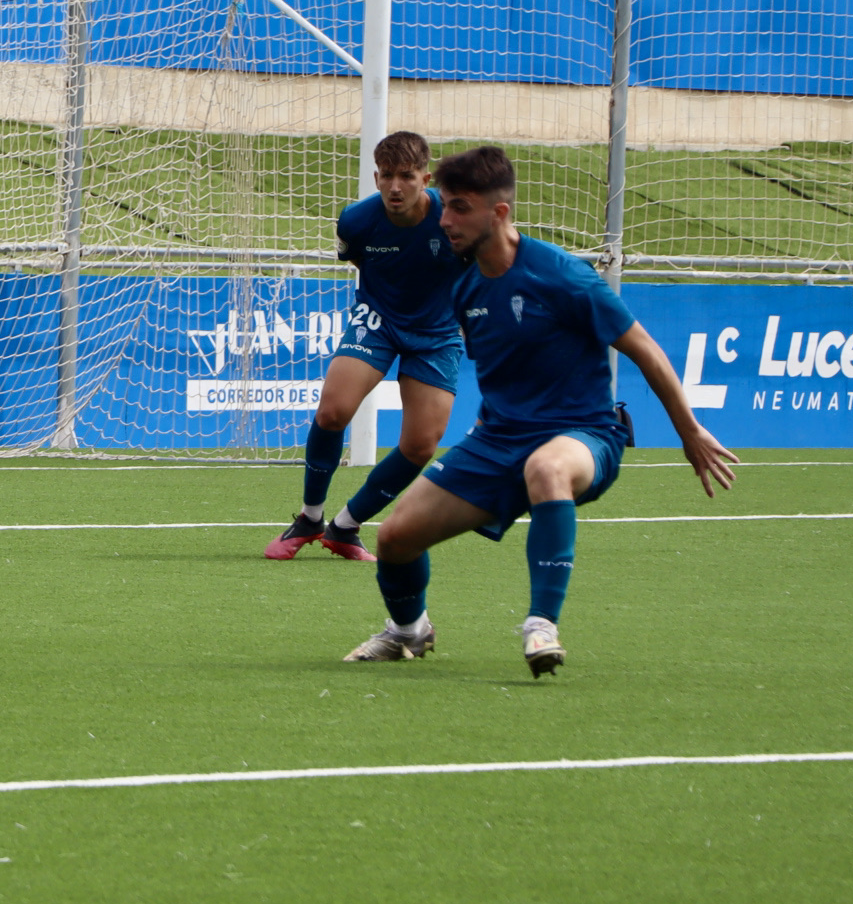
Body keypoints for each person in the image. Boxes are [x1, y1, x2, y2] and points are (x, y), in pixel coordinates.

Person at [344, 145, 738, 676]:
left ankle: (540, 626)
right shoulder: (464, 287)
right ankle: (408, 632)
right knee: (394, 538)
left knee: (546, 468)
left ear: (499, 212)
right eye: (446, 207)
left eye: (459, 208)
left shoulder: (563, 277)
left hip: (584, 435)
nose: (446, 219)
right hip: (499, 439)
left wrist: (689, 431)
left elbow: (646, 350)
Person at [265, 132, 463, 564]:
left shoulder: (454, 218)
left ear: (425, 177)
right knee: (332, 411)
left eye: (407, 177)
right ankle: (310, 517)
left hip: (438, 333)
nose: (396, 187)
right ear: (375, 177)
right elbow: (358, 259)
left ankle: (346, 527)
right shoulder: (355, 220)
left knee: (421, 446)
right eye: (387, 176)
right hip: (378, 321)